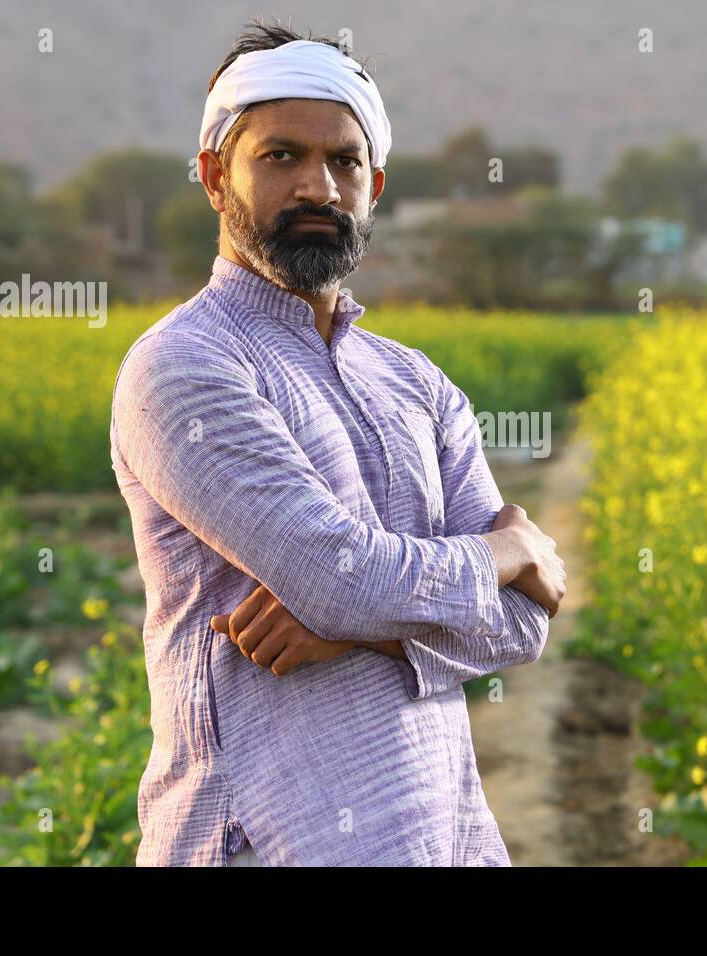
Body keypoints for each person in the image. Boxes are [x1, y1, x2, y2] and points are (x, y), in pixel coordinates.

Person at [109, 20, 566, 866]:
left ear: (375, 185)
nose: (317, 186)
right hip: (260, 839)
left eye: (344, 161)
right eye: (280, 156)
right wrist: (505, 548)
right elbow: (336, 575)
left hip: (444, 834)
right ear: (215, 176)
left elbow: (522, 625)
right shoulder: (181, 368)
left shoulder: (416, 383)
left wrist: (353, 630)